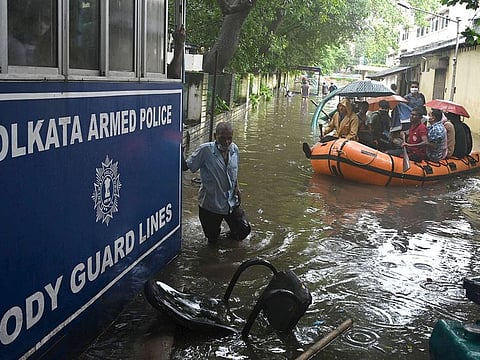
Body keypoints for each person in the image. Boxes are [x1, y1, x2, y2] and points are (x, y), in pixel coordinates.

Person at [182, 122, 251, 243]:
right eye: (222, 138)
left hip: (230, 202)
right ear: (215, 136)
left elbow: (233, 171)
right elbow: (186, 166)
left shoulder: (234, 149)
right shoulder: (205, 150)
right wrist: (178, 151)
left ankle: (229, 246)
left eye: (229, 138)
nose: (227, 142)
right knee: (213, 240)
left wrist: (237, 188)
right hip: (210, 205)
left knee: (243, 230)